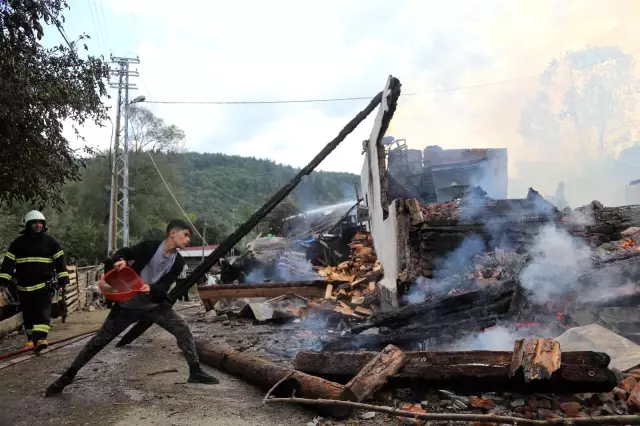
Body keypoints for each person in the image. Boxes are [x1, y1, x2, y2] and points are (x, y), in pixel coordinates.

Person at [45, 219, 219, 397]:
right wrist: (120, 260)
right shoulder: (150, 247)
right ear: (172, 233)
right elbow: (126, 251)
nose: (188, 239)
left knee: (183, 330)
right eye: (186, 235)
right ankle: (69, 375)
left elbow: (165, 286)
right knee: (99, 340)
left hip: (154, 305)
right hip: (128, 304)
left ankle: (195, 371)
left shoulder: (178, 262)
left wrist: (152, 288)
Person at [0, 210, 70, 353]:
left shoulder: (51, 242)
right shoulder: (17, 244)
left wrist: (63, 281)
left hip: (44, 286)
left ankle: (41, 339)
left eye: (40, 223)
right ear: (28, 224)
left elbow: (60, 263)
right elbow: (8, 264)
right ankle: (31, 340)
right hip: (24, 287)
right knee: (29, 314)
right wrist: (3, 281)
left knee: (43, 312)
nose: (38, 225)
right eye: (35, 223)